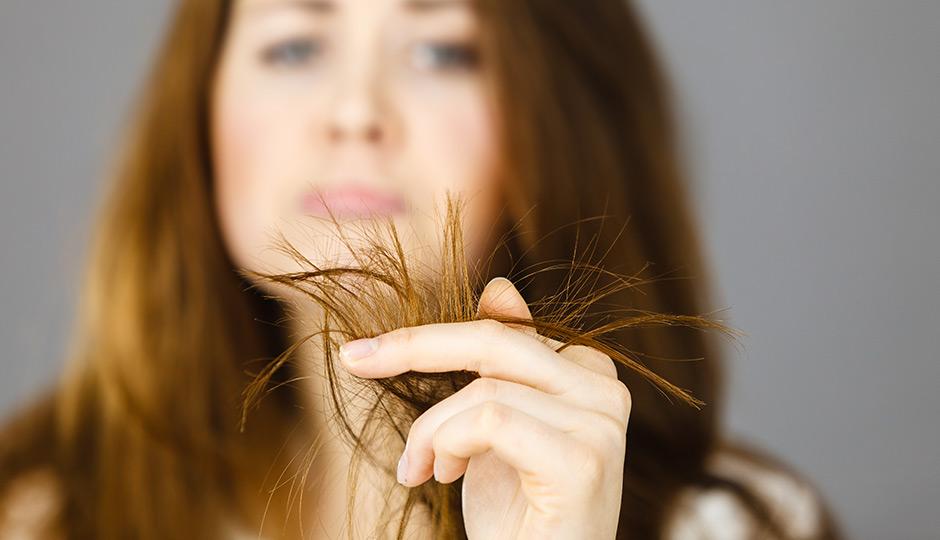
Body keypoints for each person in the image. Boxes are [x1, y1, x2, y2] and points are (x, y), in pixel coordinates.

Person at [0, 0, 846, 538]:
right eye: (294, 46)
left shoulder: (733, 528)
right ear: (198, 113)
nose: (356, 111)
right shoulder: (41, 513)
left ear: (554, 122)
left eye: (443, 52)